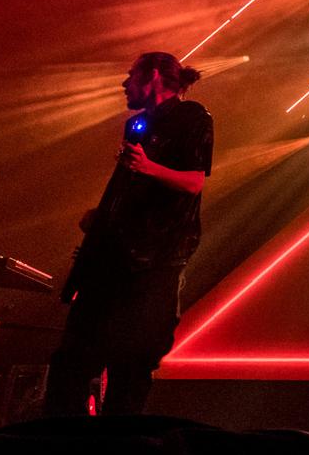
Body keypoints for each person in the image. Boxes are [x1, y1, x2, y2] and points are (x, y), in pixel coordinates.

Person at [43, 52, 213, 417]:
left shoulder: (192, 117)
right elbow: (136, 189)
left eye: (131, 75)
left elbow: (193, 182)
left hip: (155, 261)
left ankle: (119, 453)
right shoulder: (136, 124)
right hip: (114, 257)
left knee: (132, 364)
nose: (124, 83)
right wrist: (105, 217)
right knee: (73, 359)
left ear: (153, 75)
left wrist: (148, 167)